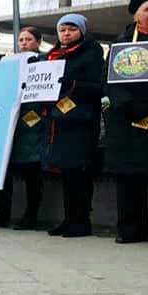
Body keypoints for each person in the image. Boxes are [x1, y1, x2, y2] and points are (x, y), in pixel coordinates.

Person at [41, 13, 105, 238]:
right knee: (67, 173)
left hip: (81, 122)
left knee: (80, 173)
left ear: (82, 31)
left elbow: (100, 87)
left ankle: (82, 221)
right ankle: (69, 219)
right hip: (59, 122)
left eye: (72, 29)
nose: (66, 34)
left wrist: (73, 84)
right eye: (62, 30)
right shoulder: (53, 55)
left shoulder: (92, 53)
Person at [0, 26, 46, 229]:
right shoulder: (12, 62)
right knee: (4, 172)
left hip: (34, 125)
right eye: (21, 40)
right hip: (11, 124)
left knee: (32, 173)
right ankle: (3, 212)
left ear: (38, 41)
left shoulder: (45, 61)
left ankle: (31, 215)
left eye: (28, 39)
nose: (24, 43)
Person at [105, 0, 148, 243]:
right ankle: (130, 229)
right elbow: (109, 81)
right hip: (128, 120)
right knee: (129, 178)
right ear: (135, 15)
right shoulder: (120, 45)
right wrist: (130, 106)